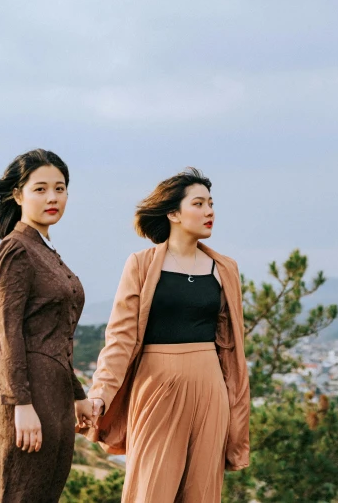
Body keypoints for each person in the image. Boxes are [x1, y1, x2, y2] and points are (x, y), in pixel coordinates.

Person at [80, 168, 250, 502]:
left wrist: (236, 407)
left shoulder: (225, 269)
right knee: (151, 486)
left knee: (202, 490)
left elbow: (230, 346)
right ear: (173, 213)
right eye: (199, 203)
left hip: (210, 387)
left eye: (211, 204)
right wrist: (100, 392)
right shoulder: (141, 264)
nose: (209, 211)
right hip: (156, 385)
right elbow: (121, 336)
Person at [0, 149, 93, 502]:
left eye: (60, 188)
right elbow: (6, 334)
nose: (53, 197)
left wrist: (77, 394)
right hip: (24, 399)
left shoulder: (45, 249)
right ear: (18, 195)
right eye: (40, 189)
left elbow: (52, 337)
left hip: (53, 397)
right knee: (15, 493)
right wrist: (21, 404)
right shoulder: (16, 250)